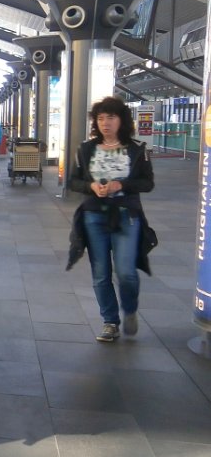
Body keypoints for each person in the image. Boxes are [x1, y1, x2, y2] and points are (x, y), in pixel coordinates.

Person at [68, 96, 155, 343]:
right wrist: (91, 186)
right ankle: (110, 321)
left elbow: (147, 183)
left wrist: (121, 185)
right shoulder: (86, 149)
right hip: (94, 215)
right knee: (101, 273)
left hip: (126, 215)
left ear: (122, 120)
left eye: (111, 117)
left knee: (126, 271)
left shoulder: (137, 149)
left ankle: (130, 309)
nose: (105, 123)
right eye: (101, 118)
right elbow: (73, 181)